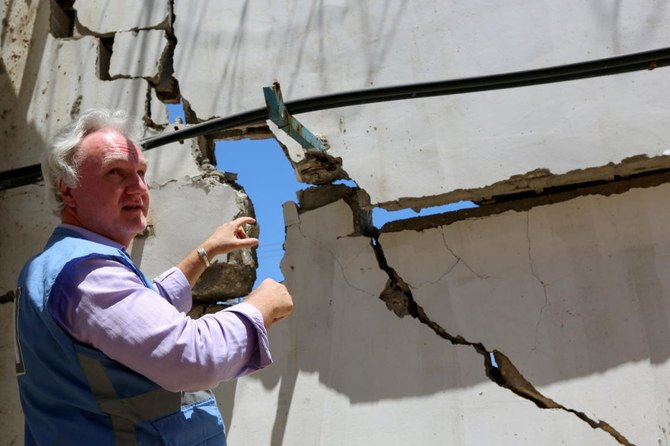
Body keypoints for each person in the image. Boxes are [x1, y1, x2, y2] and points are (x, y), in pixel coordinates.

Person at [14, 108, 293, 445]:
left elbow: (135, 315)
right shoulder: (87, 275)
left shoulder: (57, 265)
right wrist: (258, 308)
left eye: (141, 172)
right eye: (115, 173)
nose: (139, 188)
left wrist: (204, 253)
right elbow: (190, 358)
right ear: (69, 190)